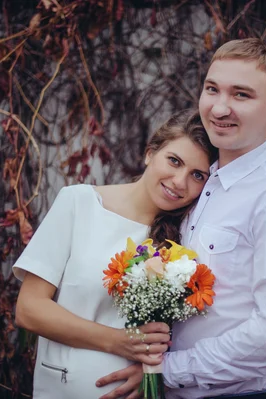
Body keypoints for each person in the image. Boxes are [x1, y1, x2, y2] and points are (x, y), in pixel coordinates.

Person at [98, 39, 266, 399]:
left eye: (241, 95)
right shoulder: (198, 183)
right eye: (212, 89)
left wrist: (167, 371)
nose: (220, 108)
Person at [13, 109, 217, 399]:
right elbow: (29, 309)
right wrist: (117, 341)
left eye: (197, 175)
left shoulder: (187, 240)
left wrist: (158, 374)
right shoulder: (79, 203)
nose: (179, 182)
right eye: (174, 161)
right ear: (150, 153)